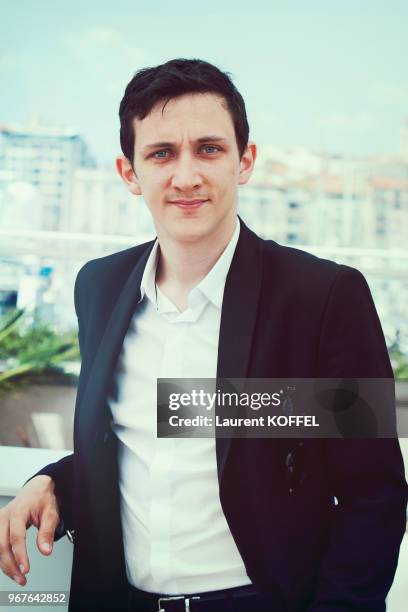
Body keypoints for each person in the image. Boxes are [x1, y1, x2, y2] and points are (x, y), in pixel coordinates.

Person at [0, 58, 407, 612]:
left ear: (246, 161)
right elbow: (142, 440)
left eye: (209, 149)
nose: (186, 176)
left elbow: (372, 494)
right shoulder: (99, 287)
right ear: (128, 172)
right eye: (162, 153)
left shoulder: (322, 297)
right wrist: (53, 482)